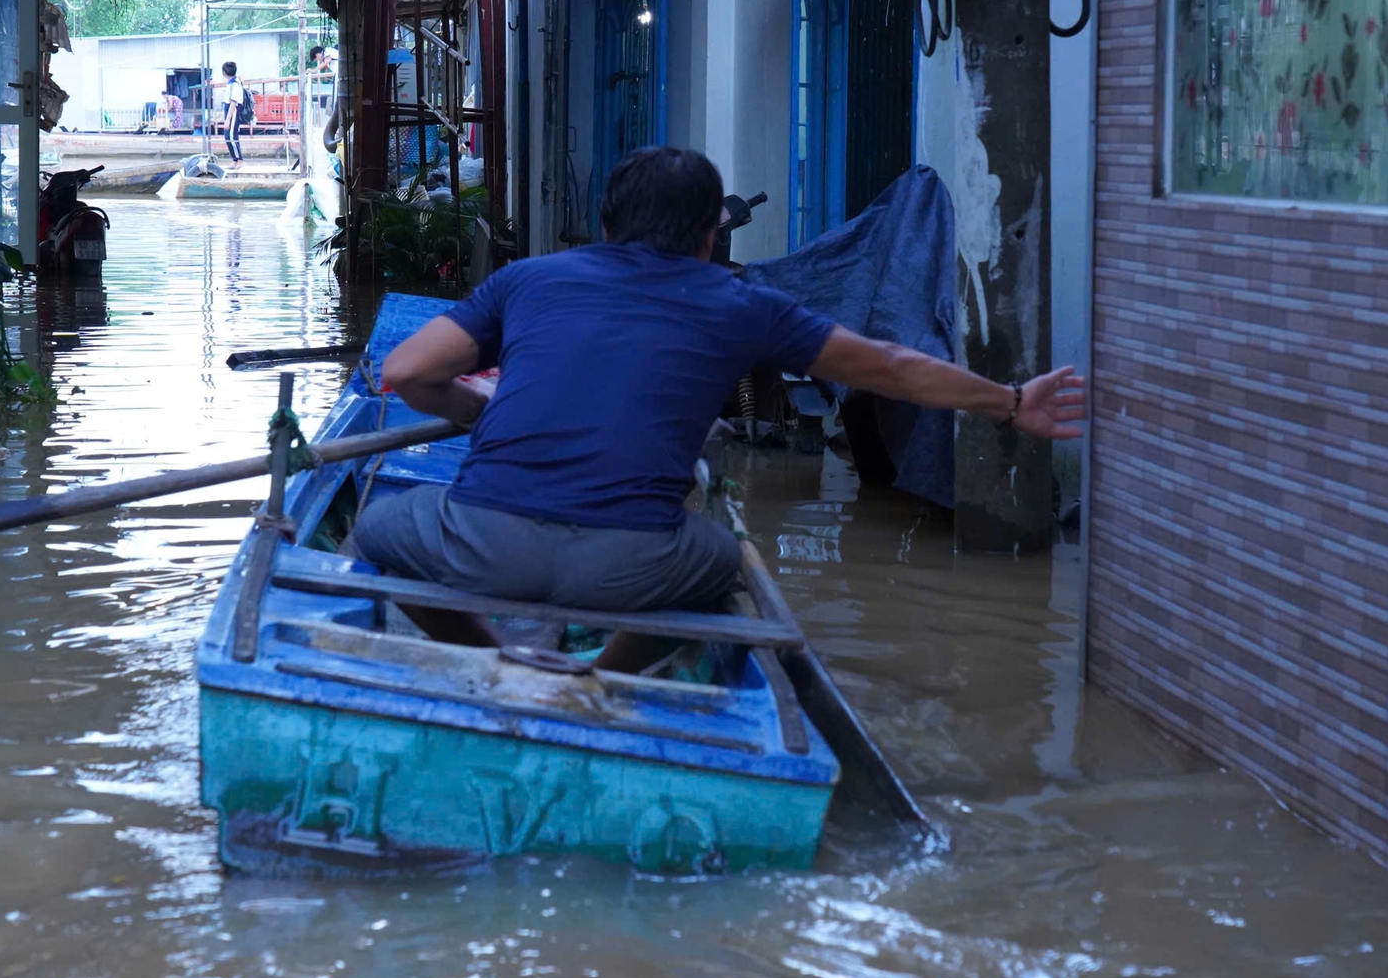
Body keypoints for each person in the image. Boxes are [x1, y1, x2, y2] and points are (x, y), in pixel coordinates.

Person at [352, 146, 1087, 666]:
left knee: (381, 528)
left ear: (606, 224)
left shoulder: (529, 280)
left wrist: (483, 413)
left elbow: (404, 372)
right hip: (630, 568)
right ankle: (606, 673)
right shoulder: (744, 305)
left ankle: (495, 659)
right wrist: (1012, 401)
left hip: (483, 547)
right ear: (710, 237)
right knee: (729, 560)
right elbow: (891, 368)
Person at [219, 60, 247, 166]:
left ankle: (239, 159)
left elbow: (233, 103)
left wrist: (227, 120)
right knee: (228, 136)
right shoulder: (232, 82)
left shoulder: (235, 84)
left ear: (224, 73)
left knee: (231, 136)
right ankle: (235, 159)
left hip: (233, 110)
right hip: (229, 109)